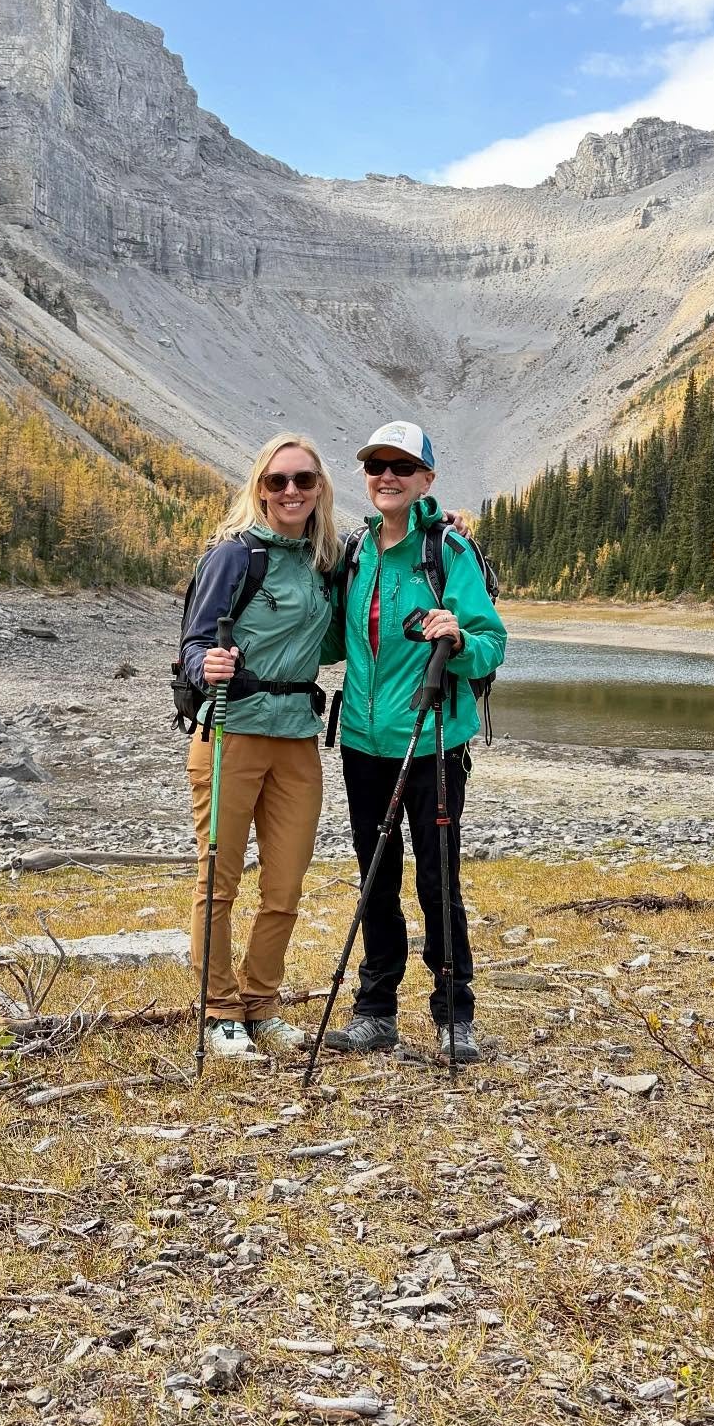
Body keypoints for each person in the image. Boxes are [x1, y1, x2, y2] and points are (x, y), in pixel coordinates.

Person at [323, 421, 506, 1065]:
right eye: (377, 466)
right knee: (376, 876)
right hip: (361, 742)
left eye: (402, 466)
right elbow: (329, 642)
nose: (387, 477)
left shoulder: (447, 553)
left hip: (432, 743)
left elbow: (492, 646)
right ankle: (376, 1012)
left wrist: (458, 635)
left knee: (437, 877)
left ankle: (455, 1014)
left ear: (427, 479)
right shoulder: (355, 552)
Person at [179, 434, 342, 1061]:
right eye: (278, 482)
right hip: (231, 731)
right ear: (261, 489)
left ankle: (263, 1004)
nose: (291, 491)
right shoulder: (234, 557)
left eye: (303, 480)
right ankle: (219, 1009)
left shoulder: (328, 559)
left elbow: (396, 545)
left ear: (320, 488)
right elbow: (193, 642)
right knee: (217, 880)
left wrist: (446, 520)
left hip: (297, 738)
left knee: (285, 884)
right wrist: (206, 664)